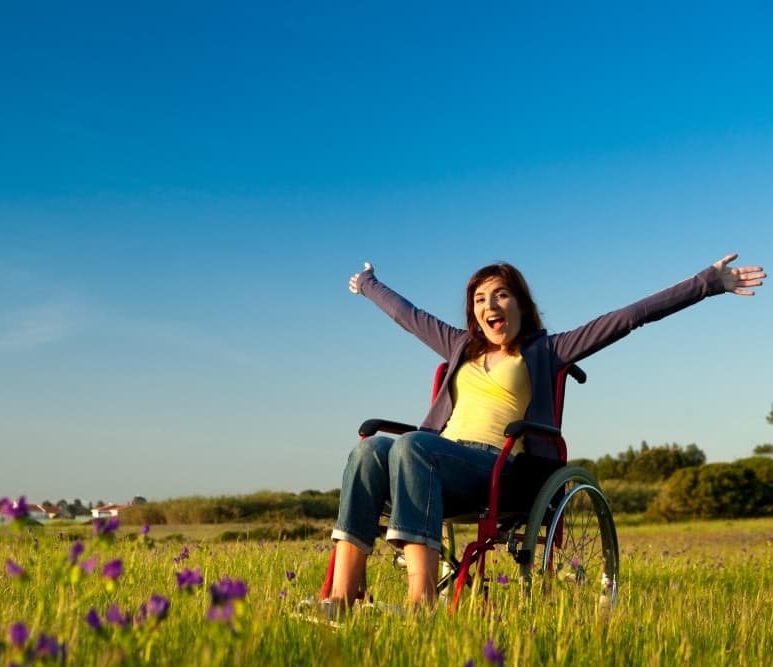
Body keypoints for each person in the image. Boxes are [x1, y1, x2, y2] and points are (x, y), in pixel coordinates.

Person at [327, 253, 765, 613]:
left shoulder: (546, 350)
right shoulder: (458, 345)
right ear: (474, 313)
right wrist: (368, 283)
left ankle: (420, 601)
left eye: (501, 295)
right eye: (481, 299)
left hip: (496, 467)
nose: (490, 306)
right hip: (432, 460)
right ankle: (342, 596)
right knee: (369, 452)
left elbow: (629, 317)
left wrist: (706, 282)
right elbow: (408, 315)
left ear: (520, 304)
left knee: (411, 446)